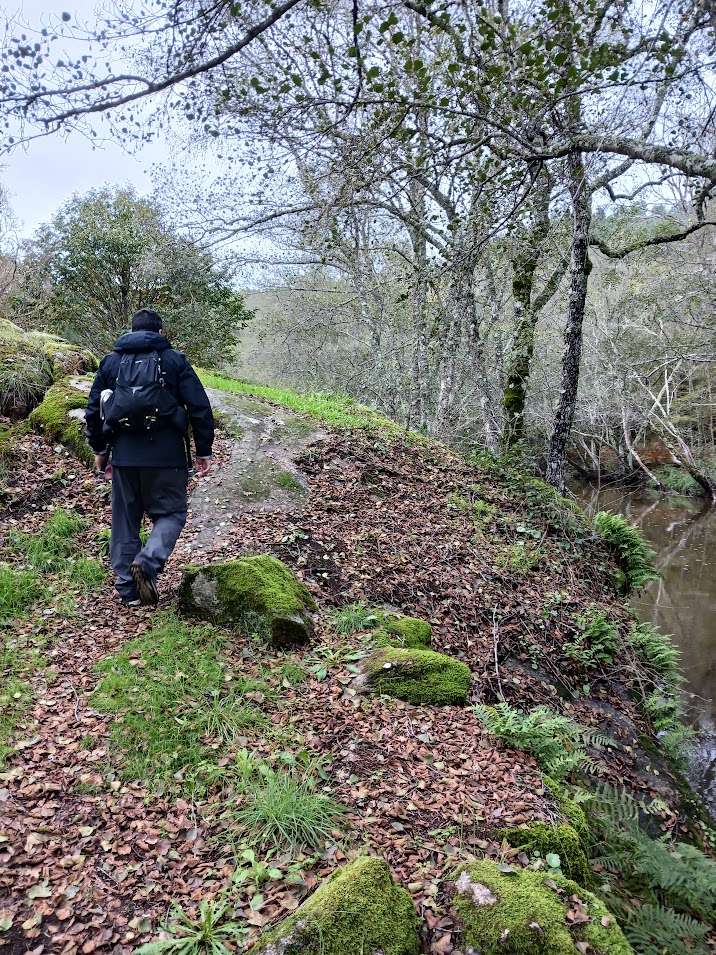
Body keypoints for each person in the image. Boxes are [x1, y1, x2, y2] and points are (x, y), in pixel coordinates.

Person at [86, 308, 214, 606]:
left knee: (124, 523)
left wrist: (100, 450)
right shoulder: (173, 360)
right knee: (171, 514)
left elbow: (94, 410)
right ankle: (148, 561)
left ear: (131, 331)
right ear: (160, 332)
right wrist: (203, 450)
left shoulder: (111, 362)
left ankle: (128, 591)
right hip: (167, 457)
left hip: (125, 457)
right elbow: (199, 407)